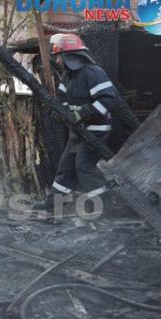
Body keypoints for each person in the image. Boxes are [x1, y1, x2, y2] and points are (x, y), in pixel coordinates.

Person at [34, 33, 119, 210]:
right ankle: (52, 202)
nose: (57, 61)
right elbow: (63, 100)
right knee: (66, 166)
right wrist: (60, 112)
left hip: (96, 128)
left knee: (84, 167)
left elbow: (110, 100)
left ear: (69, 56)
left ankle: (106, 206)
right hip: (78, 130)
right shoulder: (68, 77)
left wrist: (84, 113)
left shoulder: (93, 73)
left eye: (58, 56)